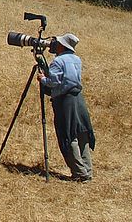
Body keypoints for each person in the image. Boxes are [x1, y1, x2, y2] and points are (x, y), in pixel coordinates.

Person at [36, 32, 96, 182]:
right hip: (78, 98)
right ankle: (87, 171)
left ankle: (79, 173)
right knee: (81, 133)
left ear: (62, 46)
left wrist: (43, 78)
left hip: (64, 101)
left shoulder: (58, 61)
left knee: (68, 135)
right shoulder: (77, 59)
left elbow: (53, 82)